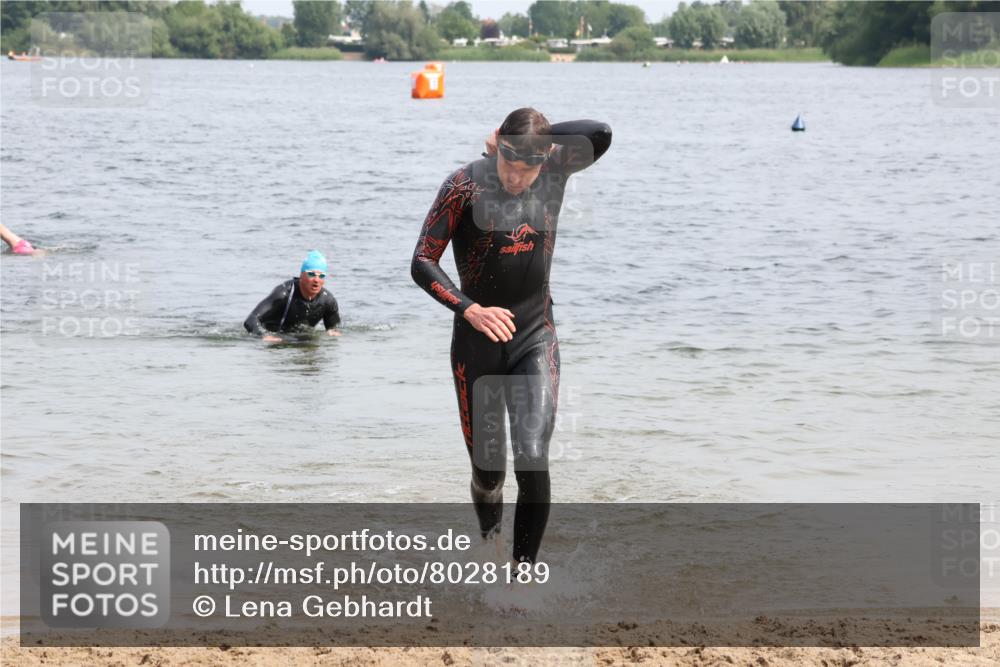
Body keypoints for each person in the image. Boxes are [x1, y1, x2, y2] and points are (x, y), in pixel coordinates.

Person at [411, 108, 612, 565]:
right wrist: (470, 309)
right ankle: (489, 546)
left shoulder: (556, 168)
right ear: (496, 148)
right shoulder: (464, 186)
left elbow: (600, 133)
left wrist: (535, 141)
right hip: (476, 344)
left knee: (533, 456)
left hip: (534, 337)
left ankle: (521, 581)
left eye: (528, 167)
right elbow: (422, 262)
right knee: (489, 475)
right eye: (509, 164)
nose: (518, 177)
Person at [244, 250, 341, 342]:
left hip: (302, 340)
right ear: (301, 275)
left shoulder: (328, 301)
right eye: (312, 274)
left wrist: (333, 333)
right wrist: (264, 335)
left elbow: (333, 329)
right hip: (276, 339)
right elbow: (251, 320)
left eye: (321, 276)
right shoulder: (283, 293)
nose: (316, 280)